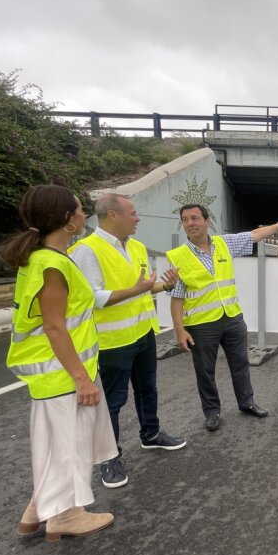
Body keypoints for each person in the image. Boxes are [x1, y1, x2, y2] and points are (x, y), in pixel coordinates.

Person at [3, 185, 116, 542]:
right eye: (81, 210)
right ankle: (65, 516)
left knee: (55, 443)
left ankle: (38, 509)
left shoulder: (39, 257)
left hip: (52, 373)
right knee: (71, 444)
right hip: (63, 372)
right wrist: (83, 379)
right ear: (68, 220)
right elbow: (54, 326)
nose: (85, 215)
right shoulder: (52, 264)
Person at [69, 193, 186, 489]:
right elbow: (93, 298)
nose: (137, 218)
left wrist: (164, 285)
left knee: (148, 389)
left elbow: (143, 289)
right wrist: (139, 289)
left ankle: (151, 435)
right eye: (132, 213)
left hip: (143, 333)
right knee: (112, 402)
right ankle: (109, 457)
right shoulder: (86, 250)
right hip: (112, 341)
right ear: (112, 215)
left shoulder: (135, 246)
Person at [166, 204, 278, 431]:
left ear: (208, 221)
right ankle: (211, 412)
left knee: (240, 364)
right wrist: (180, 330)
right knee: (205, 371)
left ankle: (246, 402)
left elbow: (255, 235)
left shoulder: (224, 244)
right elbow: (176, 298)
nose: (190, 223)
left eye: (195, 218)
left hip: (232, 318)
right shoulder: (177, 256)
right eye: (185, 219)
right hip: (200, 325)